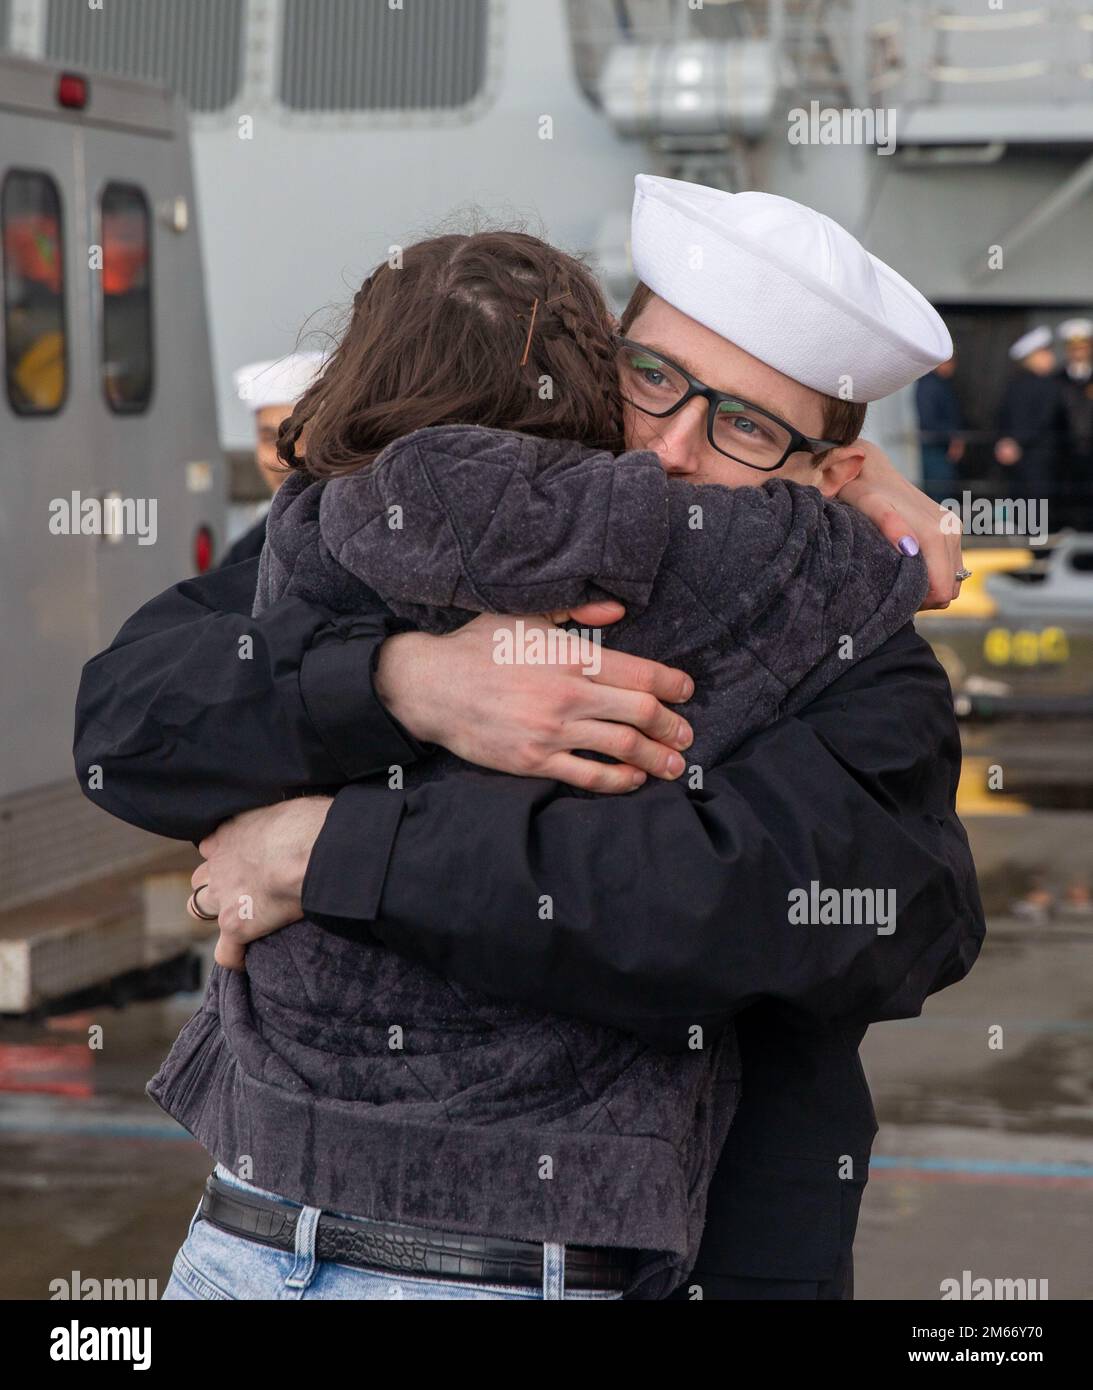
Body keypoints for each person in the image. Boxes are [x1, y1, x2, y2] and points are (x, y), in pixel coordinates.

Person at [74, 176, 983, 1300]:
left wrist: (335, 852)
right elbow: (127, 717)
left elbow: (800, 907)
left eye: (744, 424)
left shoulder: (846, 637)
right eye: (650, 379)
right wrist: (400, 683)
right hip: (261, 1225)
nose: (668, 451)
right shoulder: (419, 517)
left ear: (830, 473)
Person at [218, 351, 327, 567]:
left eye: (301, 437)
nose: (284, 459)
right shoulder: (248, 548)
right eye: (269, 438)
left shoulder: (353, 534)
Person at [994, 326, 1066, 510]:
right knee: (1036, 506)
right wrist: (1015, 442)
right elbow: (1043, 419)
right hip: (1039, 456)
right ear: (1033, 357)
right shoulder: (1048, 385)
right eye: (1045, 353)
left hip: (1021, 454)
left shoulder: (1015, 384)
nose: (1050, 357)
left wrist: (1009, 442)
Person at [1055, 318, 1093, 529]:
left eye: (1083, 348)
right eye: (1074, 348)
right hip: (1065, 453)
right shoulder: (1057, 379)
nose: (1079, 353)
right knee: (1067, 504)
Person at [914, 353, 965, 503]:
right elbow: (928, 419)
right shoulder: (930, 385)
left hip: (939, 444)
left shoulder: (940, 384)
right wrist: (952, 437)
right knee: (939, 492)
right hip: (935, 446)